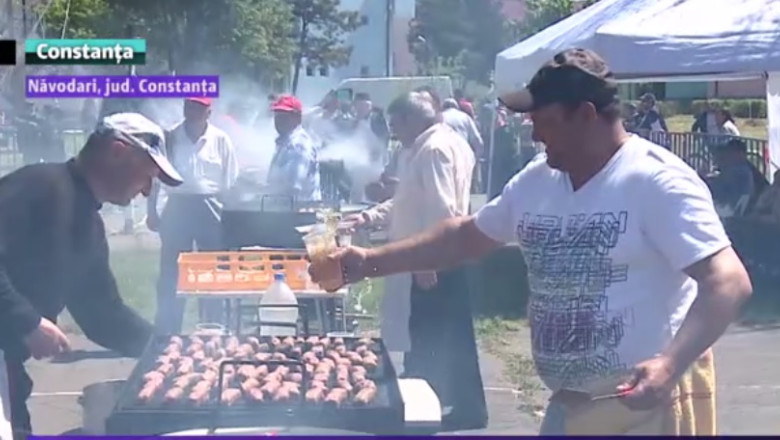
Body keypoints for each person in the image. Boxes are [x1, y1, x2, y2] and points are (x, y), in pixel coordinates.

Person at [312, 48, 752, 436]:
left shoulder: (657, 181)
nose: (535, 135)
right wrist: (368, 262)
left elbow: (728, 281)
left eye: (545, 122)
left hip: (641, 407)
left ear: (586, 115)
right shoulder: (539, 180)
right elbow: (464, 236)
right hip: (570, 404)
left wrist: (670, 363)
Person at [0, 113, 184, 440]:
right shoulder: (38, 185)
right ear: (118, 151)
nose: (146, 191)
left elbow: (102, 313)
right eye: (147, 175)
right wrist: (27, 320)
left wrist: (167, 347)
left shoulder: (89, 225)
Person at [341, 91, 486, 431]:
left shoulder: (433, 150)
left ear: (412, 119)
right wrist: (369, 217)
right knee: (442, 335)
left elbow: (443, 209)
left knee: (433, 337)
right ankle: (450, 404)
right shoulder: (437, 145)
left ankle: (434, 410)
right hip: (436, 254)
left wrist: (427, 260)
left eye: (395, 125)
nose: (394, 133)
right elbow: (406, 200)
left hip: (432, 258)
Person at [146, 97, 239, 334]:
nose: (193, 111)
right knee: (172, 269)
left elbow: (230, 181)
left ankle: (212, 326)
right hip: (177, 205)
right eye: (189, 106)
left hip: (211, 205)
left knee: (213, 269)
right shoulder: (169, 138)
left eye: (199, 108)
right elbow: (154, 177)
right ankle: (168, 328)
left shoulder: (220, 140)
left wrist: (228, 214)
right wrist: (152, 211)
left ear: (209, 112)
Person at [267, 95, 322, 202]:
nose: (278, 120)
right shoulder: (286, 142)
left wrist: (257, 188)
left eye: (284, 116)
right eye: (277, 115)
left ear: (297, 118)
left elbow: (291, 187)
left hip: (300, 210)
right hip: (287, 208)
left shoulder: (298, 145)